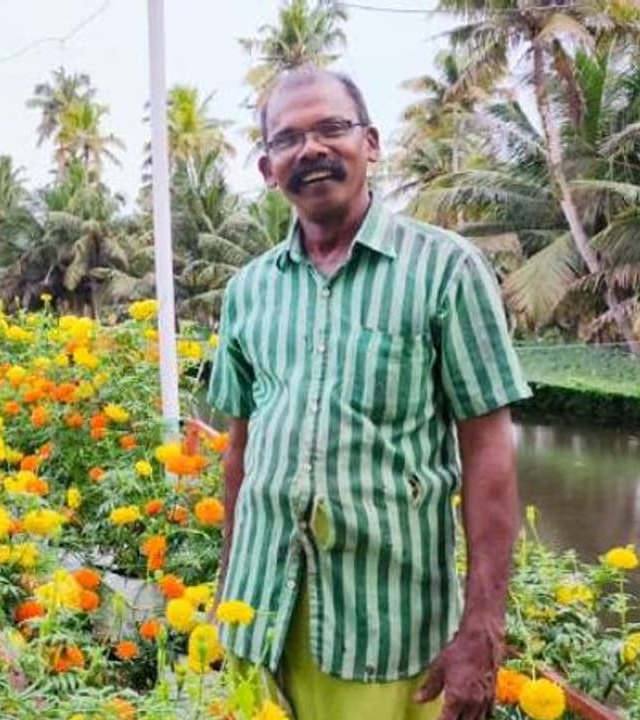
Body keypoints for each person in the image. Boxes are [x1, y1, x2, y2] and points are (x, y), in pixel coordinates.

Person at [207, 67, 532, 720]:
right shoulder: (247, 290)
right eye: (289, 138)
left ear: (372, 144)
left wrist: (483, 630)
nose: (312, 149)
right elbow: (241, 449)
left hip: (385, 630)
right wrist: (225, 591)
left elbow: (490, 452)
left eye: (332, 127)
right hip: (260, 614)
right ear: (269, 169)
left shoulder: (446, 270)